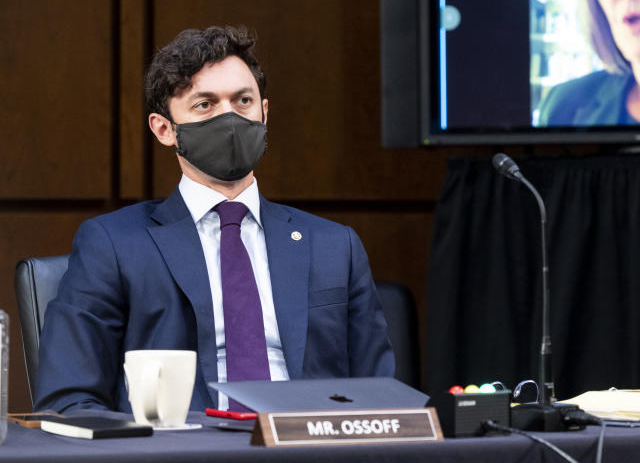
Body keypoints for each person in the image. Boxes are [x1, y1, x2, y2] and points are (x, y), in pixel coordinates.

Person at [34, 25, 395, 413]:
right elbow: (67, 401)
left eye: (243, 101)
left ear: (265, 113)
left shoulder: (334, 246)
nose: (230, 118)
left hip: (309, 455)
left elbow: (382, 399)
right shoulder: (113, 244)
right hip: (179, 458)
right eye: (205, 105)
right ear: (164, 129)